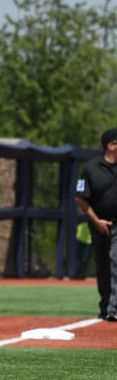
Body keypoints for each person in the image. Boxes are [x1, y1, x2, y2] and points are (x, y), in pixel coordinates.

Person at [75, 127, 117, 321]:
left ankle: (114, 308)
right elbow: (81, 198)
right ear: (111, 145)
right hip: (99, 224)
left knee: (115, 260)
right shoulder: (91, 168)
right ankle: (105, 305)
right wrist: (97, 221)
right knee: (102, 266)